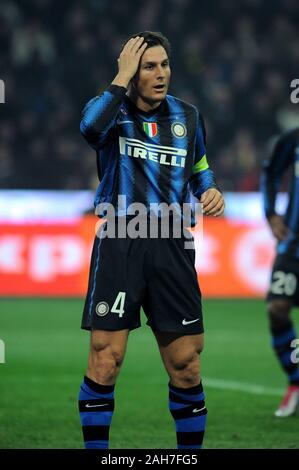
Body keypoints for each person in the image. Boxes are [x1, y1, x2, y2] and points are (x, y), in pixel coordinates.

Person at [78, 31, 225, 449]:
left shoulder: (188, 116)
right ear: (131, 72)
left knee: (187, 365)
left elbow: (199, 166)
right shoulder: (109, 111)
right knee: (106, 360)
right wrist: (119, 78)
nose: (160, 74)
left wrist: (210, 189)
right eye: (149, 66)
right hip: (121, 238)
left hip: (173, 242)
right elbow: (89, 129)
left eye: (164, 65)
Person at [261, 127, 299, 417]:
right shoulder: (292, 139)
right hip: (293, 242)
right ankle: (296, 381)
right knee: (277, 308)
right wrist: (271, 212)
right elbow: (271, 172)